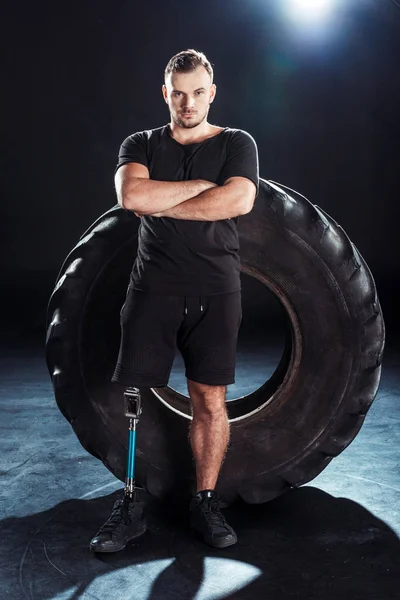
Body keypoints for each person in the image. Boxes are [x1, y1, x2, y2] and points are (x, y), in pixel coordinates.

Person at [90, 48, 259, 553]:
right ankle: (131, 501)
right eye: (178, 94)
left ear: (212, 92)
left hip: (216, 291)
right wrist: (202, 191)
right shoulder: (139, 143)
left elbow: (240, 200)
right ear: (166, 94)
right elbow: (132, 198)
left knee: (210, 400)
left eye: (197, 93)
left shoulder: (236, 142)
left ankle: (204, 501)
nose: (188, 103)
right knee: (135, 400)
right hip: (152, 291)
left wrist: (167, 201)